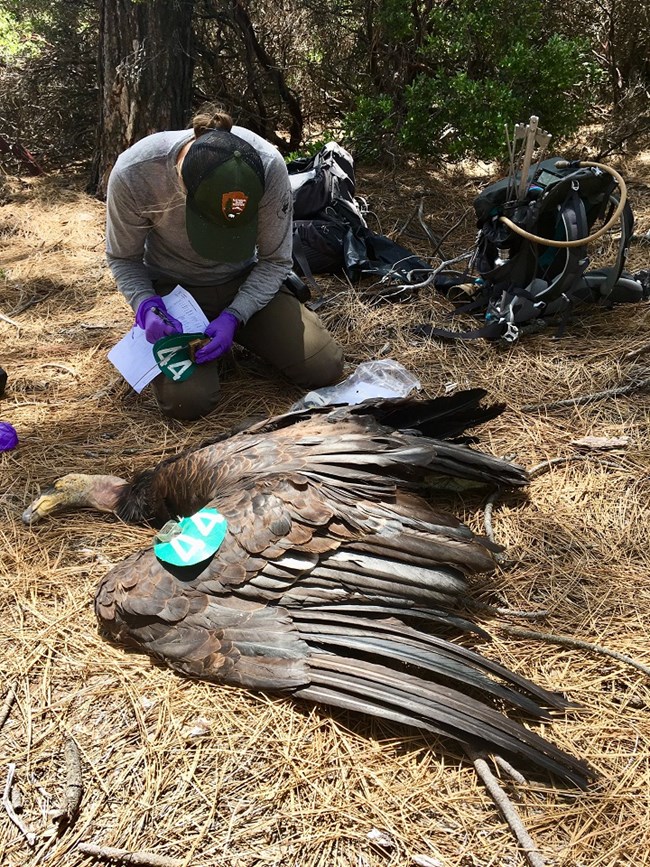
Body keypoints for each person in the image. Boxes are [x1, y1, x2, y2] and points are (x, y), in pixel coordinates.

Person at [105, 105, 344, 420]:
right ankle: (201, 346)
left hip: (244, 279)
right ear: (182, 184)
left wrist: (235, 315)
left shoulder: (268, 167)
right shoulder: (136, 172)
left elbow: (275, 260)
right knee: (186, 404)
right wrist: (146, 305)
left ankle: (235, 332)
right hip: (173, 288)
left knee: (324, 366)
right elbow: (123, 257)